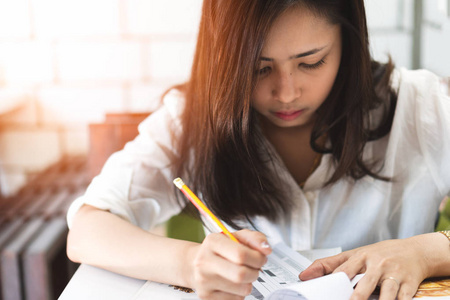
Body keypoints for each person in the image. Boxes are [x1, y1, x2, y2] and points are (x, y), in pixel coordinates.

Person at [66, 0, 450, 299]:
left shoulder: (420, 106)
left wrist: (426, 252)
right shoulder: (191, 120)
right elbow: (86, 230)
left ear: (347, 43)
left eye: (311, 62)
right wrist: (189, 262)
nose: (286, 93)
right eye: (258, 68)